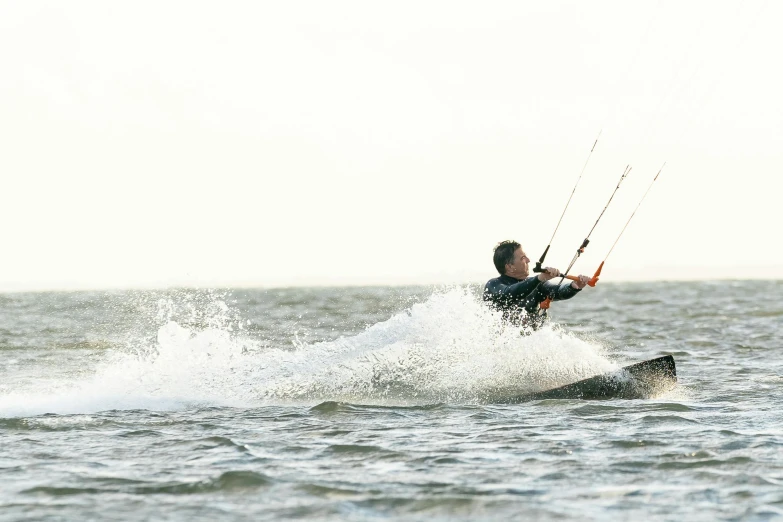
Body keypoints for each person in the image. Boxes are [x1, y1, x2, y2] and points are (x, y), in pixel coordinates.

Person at [483, 240, 591, 328]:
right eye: (523, 258)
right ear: (509, 267)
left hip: (532, 344)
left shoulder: (537, 285)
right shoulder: (493, 285)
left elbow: (557, 292)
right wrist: (539, 279)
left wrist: (574, 286)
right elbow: (510, 293)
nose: (528, 260)